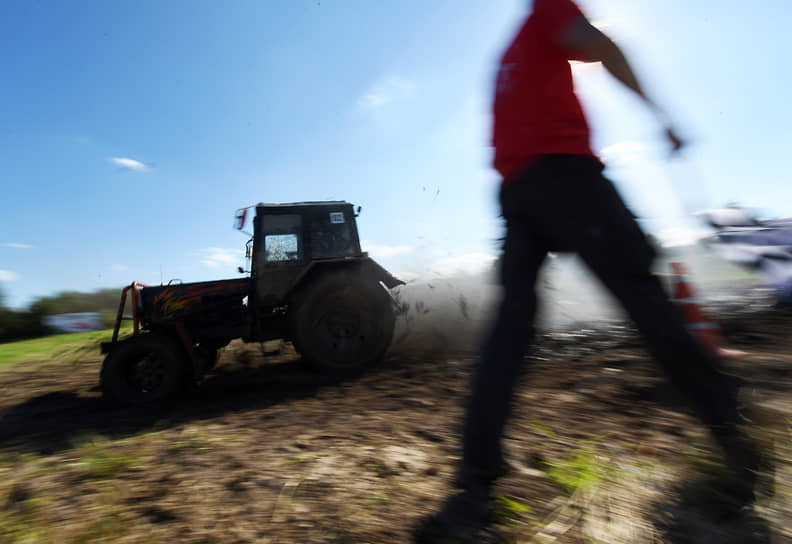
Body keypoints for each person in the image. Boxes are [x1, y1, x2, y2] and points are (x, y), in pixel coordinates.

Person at [416, 0, 760, 541]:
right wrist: (660, 114)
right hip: (566, 177)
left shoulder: (507, 52)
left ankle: (473, 489)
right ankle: (730, 429)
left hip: (517, 193)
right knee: (643, 295)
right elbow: (600, 46)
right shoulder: (549, 9)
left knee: (509, 333)